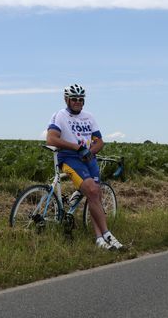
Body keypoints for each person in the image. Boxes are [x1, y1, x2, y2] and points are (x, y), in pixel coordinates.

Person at [46, 84, 123, 251]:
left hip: (88, 159)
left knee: (95, 195)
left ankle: (99, 238)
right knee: (93, 191)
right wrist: (77, 148)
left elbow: (99, 141)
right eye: (74, 99)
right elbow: (51, 139)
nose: (77, 102)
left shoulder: (89, 117)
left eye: (81, 99)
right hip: (69, 158)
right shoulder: (60, 116)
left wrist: (90, 151)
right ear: (66, 99)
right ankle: (107, 234)